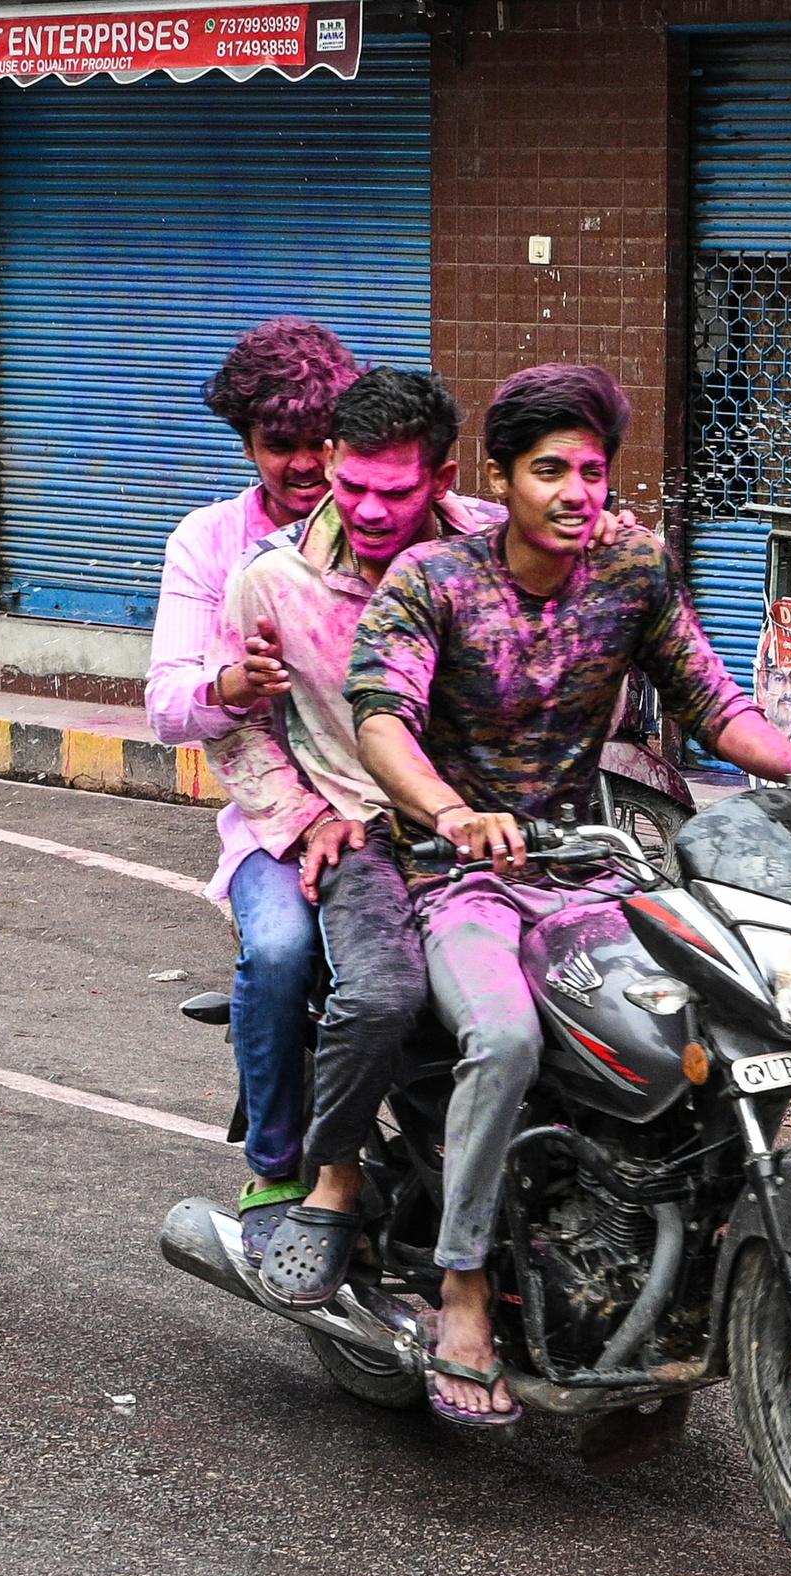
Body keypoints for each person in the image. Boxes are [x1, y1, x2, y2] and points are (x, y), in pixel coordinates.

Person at [348, 363, 791, 1425]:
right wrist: (454, 814)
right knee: (500, 1040)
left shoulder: (632, 568)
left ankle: (656, 1272)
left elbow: (711, 698)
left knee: (700, 1034)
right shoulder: (432, 580)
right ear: (497, 478)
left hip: (589, 867)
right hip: (459, 878)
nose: (576, 492)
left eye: (592, 470)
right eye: (550, 470)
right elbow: (379, 721)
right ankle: (461, 1288)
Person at [204, 368, 508, 1305]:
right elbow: (239, 731)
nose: (372, 510)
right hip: (362, 837)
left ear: (446, 476)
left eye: (398, 489)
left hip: (499, 838)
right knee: (371, 993)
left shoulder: (499, 552)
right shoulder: (271, 578)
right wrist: (305, 821)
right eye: (354, 485)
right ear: (331, 462)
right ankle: (322, 1175)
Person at [146, 318, 361, 1261]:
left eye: (326, 441)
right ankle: (276, 1164)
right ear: (245, 442)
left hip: (398, 810)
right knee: (278, 953)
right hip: (275, 824)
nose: (309, 464)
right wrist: (230, 687)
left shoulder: (395, 523)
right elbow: (166, 707)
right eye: (283, 445)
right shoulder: (209, 544)